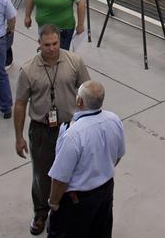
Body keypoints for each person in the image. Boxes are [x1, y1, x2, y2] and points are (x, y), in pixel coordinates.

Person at [15, 24, 91, 236]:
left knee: (74, 172)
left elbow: (87, 91)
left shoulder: (74, 62)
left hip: (71, 129)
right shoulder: (28, 70)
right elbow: (20, 104)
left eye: (55, 44)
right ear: (39, 44)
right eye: (47, 44)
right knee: (42, 174)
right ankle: (41, 213)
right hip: (42, 131)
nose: (51, 48)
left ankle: (69, 211)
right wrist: (18, 137)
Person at [47, 80, 126, 238]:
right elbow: (118, 156)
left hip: (77, 199)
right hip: (105, 190)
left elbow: (60, 178)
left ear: (79, 101)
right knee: (100, 230)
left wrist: (54, 203)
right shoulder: (114, 120)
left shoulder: (72, 133)